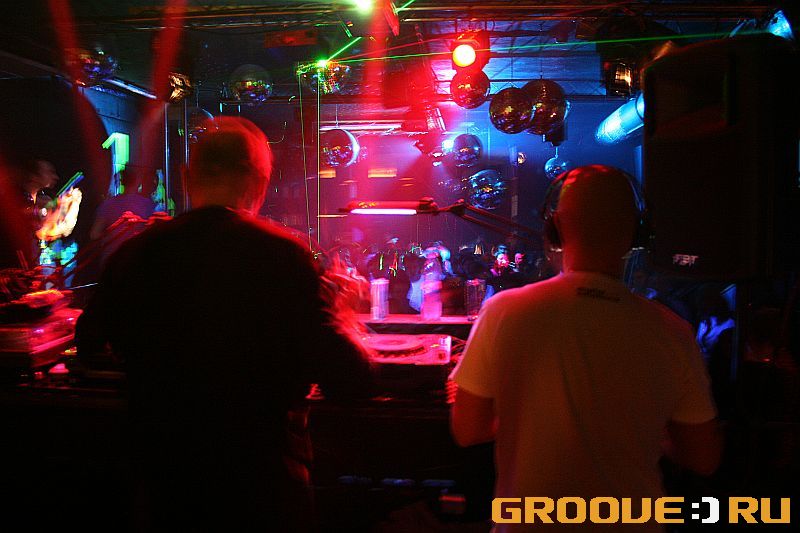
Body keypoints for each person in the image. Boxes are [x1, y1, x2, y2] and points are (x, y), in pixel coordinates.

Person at [75, 116, 374, 531]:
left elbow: (88, 345)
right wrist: (342, 310)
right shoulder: (282, 255)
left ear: (187, 177)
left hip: (164, 484)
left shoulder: (136, 252)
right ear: (260, 182)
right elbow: (351, 381)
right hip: (262, 486)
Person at [450, 165, 721, 532]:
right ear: (636, 234)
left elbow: (468, 430)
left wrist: (525, 416)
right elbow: (704, 458)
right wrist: (645, 426)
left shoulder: (504, 312)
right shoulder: (673, 332)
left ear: (555, 227)